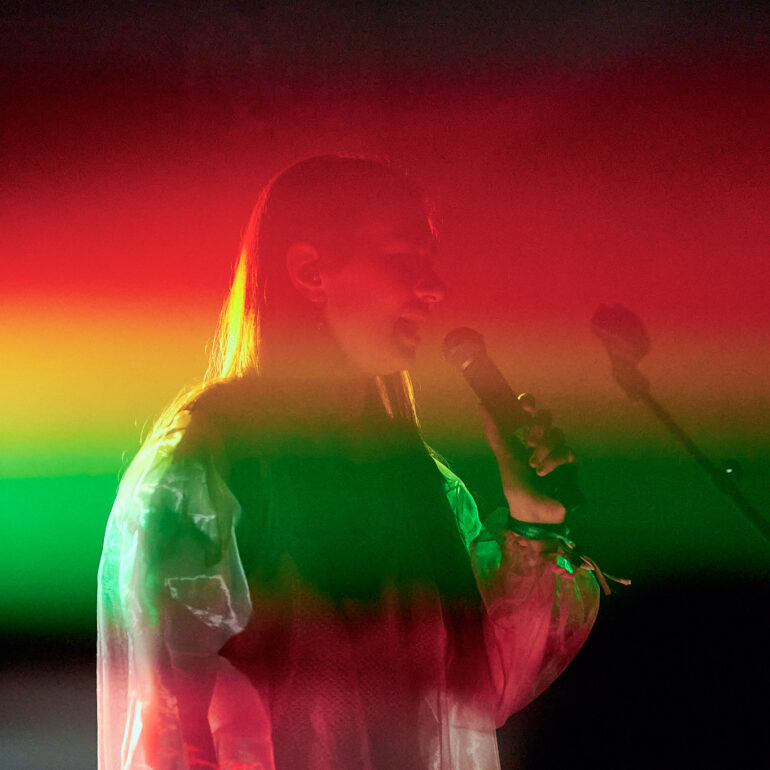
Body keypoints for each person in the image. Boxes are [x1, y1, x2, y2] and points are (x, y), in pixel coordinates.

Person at [97, 155, 601, 770]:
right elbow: (178, 728)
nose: (434, 289)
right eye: (404, 260)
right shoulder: (208, 469)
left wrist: (534, 517)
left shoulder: (421, 483)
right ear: (311, 272)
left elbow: (475, 692)